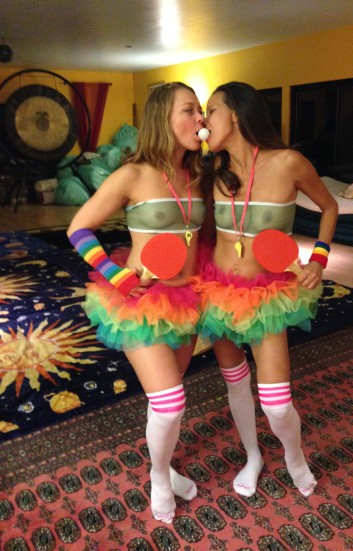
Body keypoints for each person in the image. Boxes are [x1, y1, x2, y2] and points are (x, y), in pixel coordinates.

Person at [67, 82, 207, 523]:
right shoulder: (133, 174)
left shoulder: (198, 174)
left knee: (166, 395)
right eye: (189, 110)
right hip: (141, 302)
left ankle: (162, 465)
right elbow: (78, 228)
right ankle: (160, 478)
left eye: (201, 110)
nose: (200, 118)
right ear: (164, 117)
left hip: (187, 298)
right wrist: (115, 274)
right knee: (171, 401)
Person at [193, 81, 338, 498]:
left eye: (211, 110)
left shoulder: (289, 162)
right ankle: (252, 455)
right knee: (235, 382)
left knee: (276, 403)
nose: (204, 120)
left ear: (237, 114)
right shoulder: (211, 170)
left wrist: (319, 259)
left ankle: (294, 455)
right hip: (218, 291)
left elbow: (329, 206)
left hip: (267, 296)